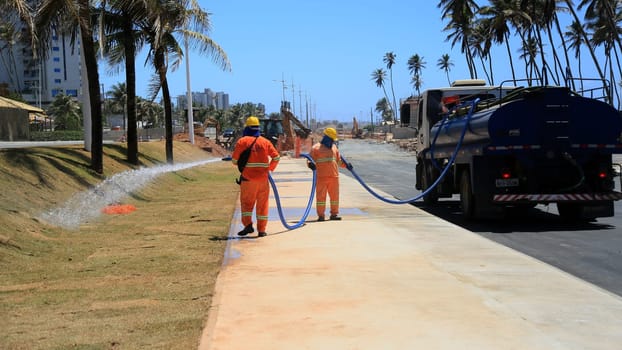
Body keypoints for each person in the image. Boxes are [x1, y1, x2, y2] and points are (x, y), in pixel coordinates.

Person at [232, 116, 280, 237]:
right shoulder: (265, 142)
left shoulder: (242, 142)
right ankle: (262, 230)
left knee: (247, 203)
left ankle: (248, 225)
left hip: (248, 180)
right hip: (263, 180)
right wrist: (269, 169)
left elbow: (234, 161)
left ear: (247, 128)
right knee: (263, 205)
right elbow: (276, 157)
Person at [309, 127, 352, 221]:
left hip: (334, 177)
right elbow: (309, 160)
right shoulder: (316, 148)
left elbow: (338, 161)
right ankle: (321, 215)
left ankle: (334, 214)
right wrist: (310, 165)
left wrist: (346, 165)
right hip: (321, 177)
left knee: (334, 197)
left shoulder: (334, 148)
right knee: (321, 198)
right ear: (326, 138)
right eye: (331, 139)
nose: (333, 141)